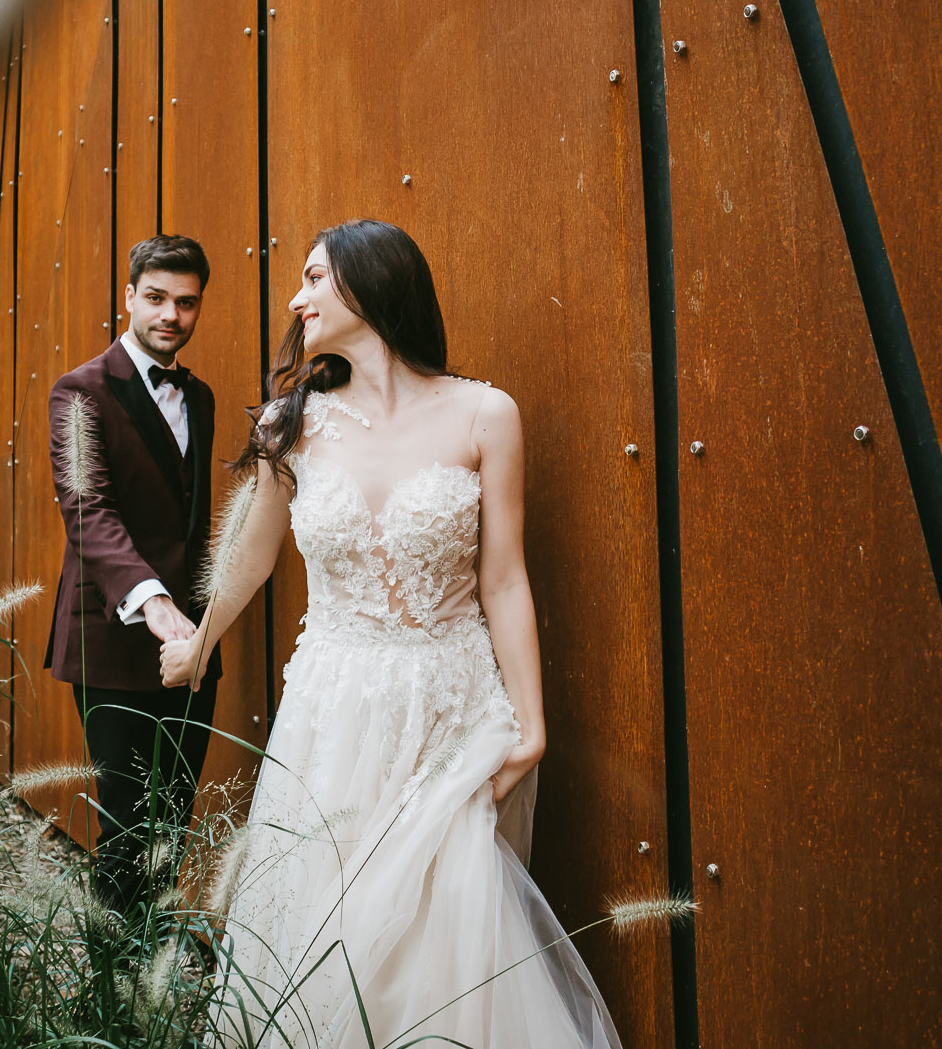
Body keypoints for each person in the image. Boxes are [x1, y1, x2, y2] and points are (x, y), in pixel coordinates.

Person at [159, 219, 621, 1048]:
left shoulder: (486, 414)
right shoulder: (289, 423)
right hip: (330, 710)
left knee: (445, 926)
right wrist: (199, 638)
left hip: (452, 707)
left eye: (312, 278)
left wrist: (532, 721)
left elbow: (505, 577)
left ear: (369, 285)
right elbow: (252, 557)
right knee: (327, 921)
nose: (296, 299)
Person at [44, 234, 219, 913]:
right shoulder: (79, 391)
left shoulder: (199, 398)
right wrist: (152, 601)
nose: (170, 314)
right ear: (129, 297)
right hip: (113, 641)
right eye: (156, 298)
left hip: (194, 644)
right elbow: (88, 509)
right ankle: (113, 995)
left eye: (186, 302)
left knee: (174, 815)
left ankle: (158, 963)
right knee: (124, 825)